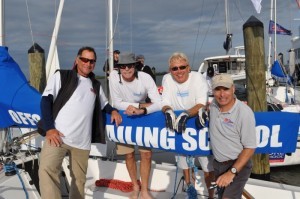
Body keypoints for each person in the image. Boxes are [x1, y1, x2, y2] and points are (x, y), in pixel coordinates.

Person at [38, 46, 122, 199]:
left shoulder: (95, 85)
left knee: (79, 181)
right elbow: (45, 100)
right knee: (47, 170)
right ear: (77, 60)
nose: (88, 63)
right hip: (58, 136)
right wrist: (50, 129)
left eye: (92, 61)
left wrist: (114, 111)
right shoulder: (62, 76)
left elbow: (104, 104)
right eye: (84, 59)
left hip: (82, 142)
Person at [161, 52, 215, 199]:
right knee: (184, 163)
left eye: (182, 67)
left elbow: (201, 103)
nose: (179, 71)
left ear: (188, 67)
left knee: (207, 166)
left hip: (199, 124)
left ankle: (211, 195)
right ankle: (190, 192)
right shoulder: (166, 79)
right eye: (174, 69)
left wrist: (186, 113)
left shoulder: (197, 78)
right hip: (180, 125)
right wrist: (168, 111)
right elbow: (165, 101)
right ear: (170, 70)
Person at [109, 52, 162, 199]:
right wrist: (139, 104)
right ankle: (135, 186)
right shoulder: (113, 77)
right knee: (129, 154)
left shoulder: (145, 78)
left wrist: (141, 109)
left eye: (130, 66)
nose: (126, 69)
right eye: (122, 66)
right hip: (124, 118)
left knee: (146, 154)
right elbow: (117, 103)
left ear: (135, 66)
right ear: (118, 67)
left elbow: (159, 102)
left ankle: (144, 190)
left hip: (143, 117)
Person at [208, 73, 257, 198]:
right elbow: (207, 107)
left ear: (233, 89)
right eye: (218, 89)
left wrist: (232, 172)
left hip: (238, 164)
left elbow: (250, 147)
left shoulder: (244, 113)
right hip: (218, 164)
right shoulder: (213, 104)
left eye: (226, 89)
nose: (222, 94)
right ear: (213, 91)